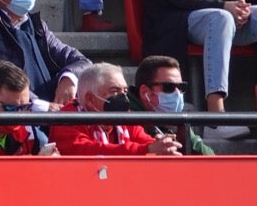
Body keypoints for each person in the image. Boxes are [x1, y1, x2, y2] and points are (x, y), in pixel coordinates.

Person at [51, 62, 182, 156]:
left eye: (124, 91)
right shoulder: (66, 119)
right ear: (90, 99)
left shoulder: (125, 117)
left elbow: (144, 140)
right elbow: (90, 151)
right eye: (114, 91)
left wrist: (162, 146)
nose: (123, 97)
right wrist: (146, 149)